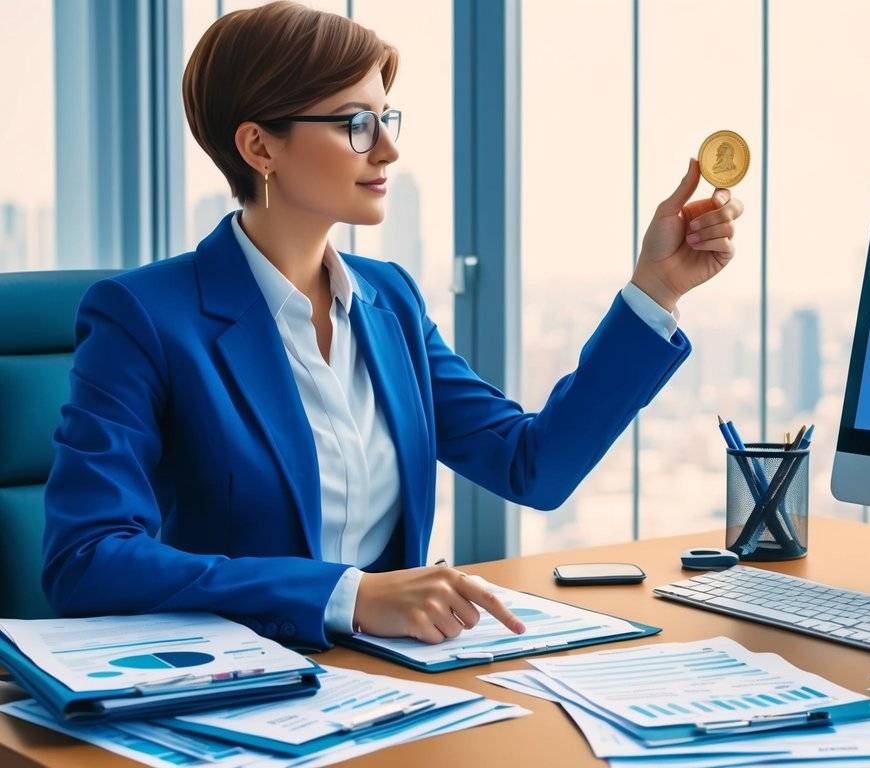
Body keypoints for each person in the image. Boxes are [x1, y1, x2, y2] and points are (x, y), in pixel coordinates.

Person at [41, 1, 743, 651]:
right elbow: (87, 559)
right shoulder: (144, 315)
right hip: (237, 687)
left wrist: (655, 290)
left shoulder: (389, 301)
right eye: (354, 124)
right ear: (260, 147)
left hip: (394, 681)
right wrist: (348, 596)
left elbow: (533, 467)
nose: (386, 150)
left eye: (386, 118)